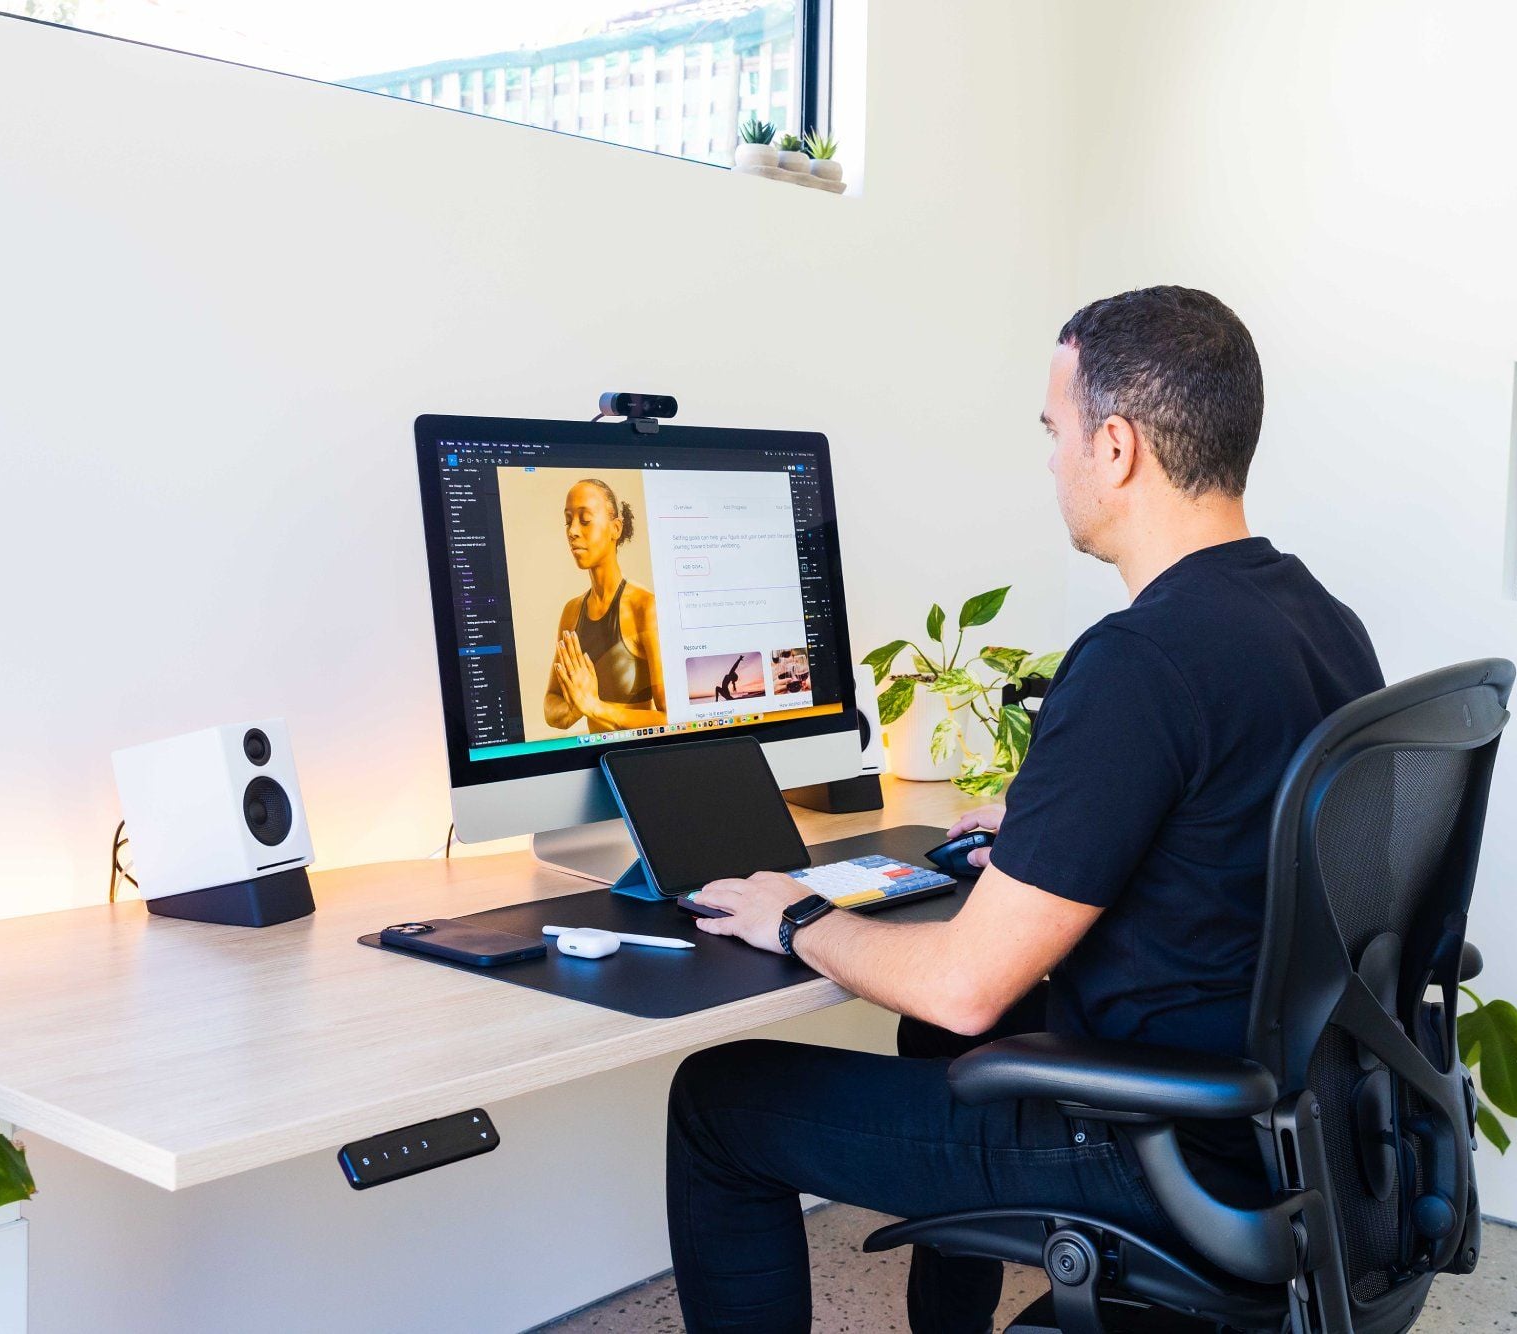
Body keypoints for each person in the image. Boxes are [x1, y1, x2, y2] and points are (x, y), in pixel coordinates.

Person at [665, 287, 1385, 1334]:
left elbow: (963, 983)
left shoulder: (1140, 657)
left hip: (1149, 1138)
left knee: (718, 1103)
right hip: (1278, 1121)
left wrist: (795, 915)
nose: (1050, 460)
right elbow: (1230, 826)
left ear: (1117, 448)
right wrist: (1060, 824)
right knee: (945, 1041)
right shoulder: (1316, 617)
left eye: (1054, 432)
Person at [544, 479, 667, 734]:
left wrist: (596, 707)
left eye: (585, 520)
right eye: (568, 521)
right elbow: (551, 704)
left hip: (640, 759)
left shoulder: (644, 607)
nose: (572, 531)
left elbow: (672, 717)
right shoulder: (571, 612)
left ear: (616, 528)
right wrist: (576, 707)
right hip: (595, 758)